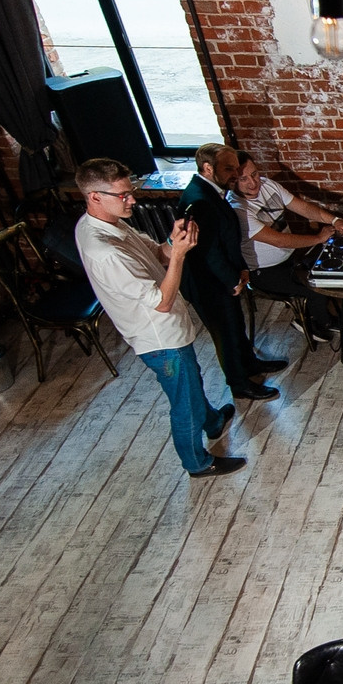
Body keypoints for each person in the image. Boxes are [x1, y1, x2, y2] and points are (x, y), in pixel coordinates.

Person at [73, 158, 243, 478]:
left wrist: (172, 242)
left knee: (191, 381)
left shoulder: (110, 221)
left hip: (168, 328)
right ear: (94, 196)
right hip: (159, 337)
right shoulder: (103, 250)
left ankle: (213, 422)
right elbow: (162, 303)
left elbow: (156, 253)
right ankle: (197, 462)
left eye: (130, 191)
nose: (132, 200)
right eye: (123, 195)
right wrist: (179, 255)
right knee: (184, 402)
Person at [179, 143, 282, 402]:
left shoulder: (211, 190)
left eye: (236, 168)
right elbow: (209, 250)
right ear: (207, 168)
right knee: (224, 334)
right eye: (228, 169)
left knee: (235, 324)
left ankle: (250, 364)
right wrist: (232, 278)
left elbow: (226, 239)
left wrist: (240, 269)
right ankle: (239, 384)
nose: (235, 175)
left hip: (224, 274)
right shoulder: (200, 199)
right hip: (208, 282)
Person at [228, 152, 343, 344]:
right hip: (263, 271)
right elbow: (280, 241)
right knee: (314, 286)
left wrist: (335, 220)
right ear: (232, 181)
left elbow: (303, 208)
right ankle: (320, 323)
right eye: (243, 179)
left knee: (330, 268)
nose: (253, 182)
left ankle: (315, 315)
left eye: (254, 174)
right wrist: (318, 238)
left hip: (289, 258)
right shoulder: (238, 209)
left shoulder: (268, 184)